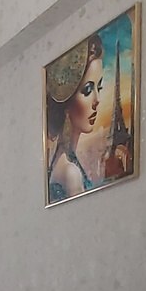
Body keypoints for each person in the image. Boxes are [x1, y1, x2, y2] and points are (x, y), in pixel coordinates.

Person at [46, 34, 103, 203]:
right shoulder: (71, 173)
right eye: (87, 90)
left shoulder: (61, 160)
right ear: (68, 101)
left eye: (99, 87)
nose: (97, 100)